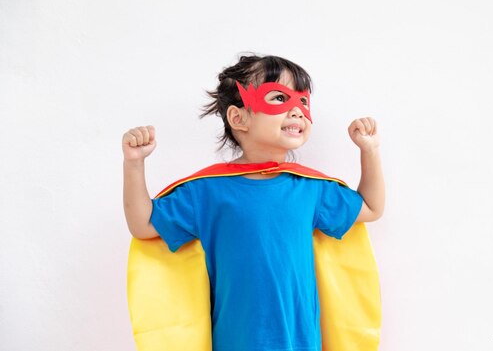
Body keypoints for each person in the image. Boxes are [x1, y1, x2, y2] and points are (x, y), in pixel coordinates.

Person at [122, 54, 385, 351]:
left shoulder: (312, 189)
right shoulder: (206, 190)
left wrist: (370, 151)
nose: (297, 111)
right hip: (237, 340)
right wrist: (134, 164)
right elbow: (143, 225)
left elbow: (371, 207)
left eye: (303, 101)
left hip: (300, 341)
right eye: (279, 98)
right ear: (238, 118)